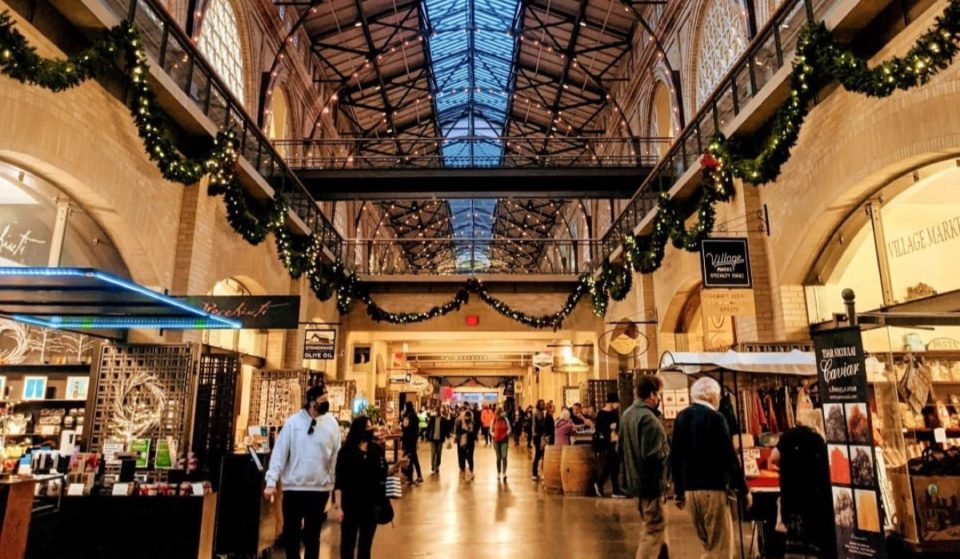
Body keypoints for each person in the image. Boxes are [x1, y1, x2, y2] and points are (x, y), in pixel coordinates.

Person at [671, 377, 750, 559]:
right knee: (720, 547)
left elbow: (675, 456)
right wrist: (743, 489)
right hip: (713, 490)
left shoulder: (681, 417)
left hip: (691, 492)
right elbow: (728, 457)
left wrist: (679, 490)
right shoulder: (716, 418)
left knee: (707, 545)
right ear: (713, 397)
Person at [264, 385, 341, 559]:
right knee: (291, 534)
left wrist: (337, 486)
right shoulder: (293, 423)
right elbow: (279, 453)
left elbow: (336, 455)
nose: (326, 404)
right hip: (293, 488)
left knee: (312, 536)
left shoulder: (331, 424)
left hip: (319, 490)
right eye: (323, 401)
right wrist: (271, 481)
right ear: (312, 402)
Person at [619, 376, 669, 559]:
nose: (660, 399)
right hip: (650, 486)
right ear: (652, 394)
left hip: (635, 483)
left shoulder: (627, 415)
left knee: (659, 530)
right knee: (653, 530)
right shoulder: (649, 420)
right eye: (659, 395)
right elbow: (653, 457)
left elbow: (620, 450)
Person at [768, 423, 836, 558]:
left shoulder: (787, 438)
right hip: (814, 504)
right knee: (812, 546)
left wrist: (782, 468)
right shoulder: (818, 441)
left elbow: (773, 458)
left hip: (792, 501)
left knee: (793, 546)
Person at [332, 416, 387, 559]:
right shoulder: (345, 453)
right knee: (347, 545)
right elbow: (339, 481)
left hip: (371, 506)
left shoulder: (376, 450)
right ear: (358, 430)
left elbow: (383, 473)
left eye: (371, 426)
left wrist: (397, 465)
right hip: (351, 506)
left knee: (365, 546)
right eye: (367, 427)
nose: (370, 430)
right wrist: (338, 507)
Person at [594, 392, 625, 498]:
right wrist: (608, 427)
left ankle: (614, 489)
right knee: (611, 464)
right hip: (607, 443)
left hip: (615, 441)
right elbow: (598, 428)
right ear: (611, 402)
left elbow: (618, 425)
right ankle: (600, 483)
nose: (618, 405)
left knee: (614, 465)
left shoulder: (614, 413)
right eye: (617, 402)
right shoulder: (601, 414)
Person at [426, 406, 453, 474]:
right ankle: (433, 465)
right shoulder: (432, 419)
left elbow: (446, 429)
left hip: (440, 439)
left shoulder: (443, 419)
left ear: (440, 411)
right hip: (433, 438)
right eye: (436, 410)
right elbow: (428, 428)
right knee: (433, 453)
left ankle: (437, 466)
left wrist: (448, 436)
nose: (438, 412)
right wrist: (427, 436)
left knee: (438, 453)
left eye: (439, 410)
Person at [400, 401, 423, 485]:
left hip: (408, 440)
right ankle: (416, 476)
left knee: (411, 458)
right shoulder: (415, 415)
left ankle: (412, 477)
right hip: (413, 439)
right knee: (413, 458)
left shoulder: (408, 416)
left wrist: (402, 417)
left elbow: (405, 426)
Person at [456, 408, 478, 480]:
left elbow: (475, 432)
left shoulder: (473, 423)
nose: (467, 418)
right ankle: (463, 471)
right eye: (466, 416)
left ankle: (471, 472)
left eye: (469, 416)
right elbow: (457, 432)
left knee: (470, 457)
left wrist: (473, 435)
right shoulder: (460, 422)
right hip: (462, 443)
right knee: (462, 458)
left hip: (470, 443)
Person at [491, 406, 512, 481]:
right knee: (498, 457)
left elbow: (509, 429)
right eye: (500, 412)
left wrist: (506, 434)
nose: (502, 413)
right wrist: (493, 435)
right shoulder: (493, 420)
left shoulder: (506, 420)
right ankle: (498, 473)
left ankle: (504, 473)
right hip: (496, 440)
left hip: (504, 440)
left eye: (502, 412)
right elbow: (491, 430)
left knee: (504, 456)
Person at [531, 400, 548, 480]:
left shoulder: (537, 412)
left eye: (543, 404)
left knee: (538, 455)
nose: (542, 405)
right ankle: (534, 473)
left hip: (536, 435)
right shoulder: (539, 413)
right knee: (538, 454)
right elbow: (542, 424)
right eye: (541, 404)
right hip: (538, 436)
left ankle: (535, 472)